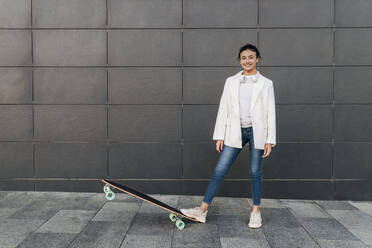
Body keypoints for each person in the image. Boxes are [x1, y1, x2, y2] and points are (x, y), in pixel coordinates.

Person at [180, 43, 276, 228]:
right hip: (235, 131)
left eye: (250, 57)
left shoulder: (266, 84)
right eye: (243, 58)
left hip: (257, 132)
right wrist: (220, 135)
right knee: (220, 170)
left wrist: (269, 139)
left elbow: (270, 111)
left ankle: (256, 212)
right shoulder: (231, 81)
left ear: (257, 59)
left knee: (255, 172)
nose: (247, 61)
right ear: (240, 61)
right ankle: (202, 210)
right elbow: (223, 108)